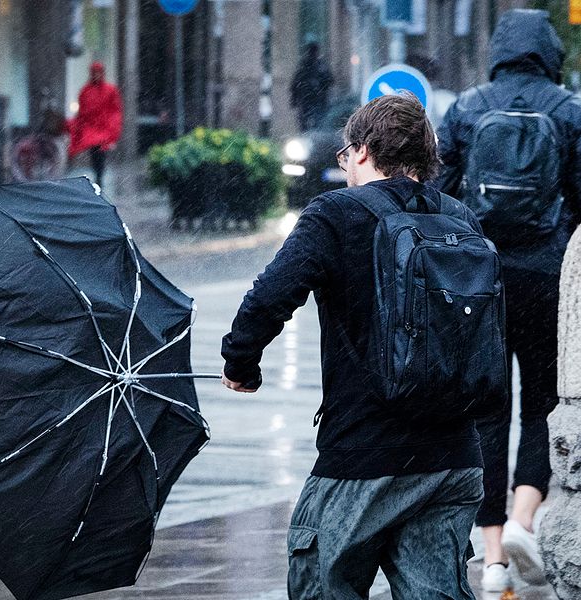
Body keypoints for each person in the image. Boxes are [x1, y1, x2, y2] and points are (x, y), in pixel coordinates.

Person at [221, 94, 497, 599]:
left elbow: (270, 296)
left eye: (344, 155)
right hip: (454, 457)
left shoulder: (336, 214)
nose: (344, 166)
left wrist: (242, 362)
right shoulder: (461, 218)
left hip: (364, 455)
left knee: (322, 585)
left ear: (364, 150)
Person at [436, 8, 581, 594]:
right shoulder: (568, 110)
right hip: (546, 278)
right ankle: (525, 518)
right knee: (543, 402)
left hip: (482, 282)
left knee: (487, 410)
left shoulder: (468, 107)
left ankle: (493, 557)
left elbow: (437, 193)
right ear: (549, 51)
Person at [67, 61, 123, 187]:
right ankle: (98, 174)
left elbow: (115, 109)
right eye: (94, 73)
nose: (96, 75)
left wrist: (113, 126)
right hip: (91, 127)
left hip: (103, 127)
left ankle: (99, 175)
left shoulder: (110, 90)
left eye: (98, 73)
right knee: (95, 151)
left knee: (100, 152)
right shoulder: (86, 91)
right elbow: (82, 111)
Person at [290, 42, 334, 132]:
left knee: (318, 123)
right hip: (308, 101)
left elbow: (330, 80)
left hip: (317, 101)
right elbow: (295, 83)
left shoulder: (320, 66)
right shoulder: (306, 65)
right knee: (307, 125)